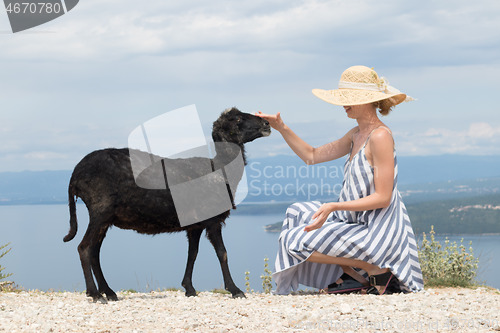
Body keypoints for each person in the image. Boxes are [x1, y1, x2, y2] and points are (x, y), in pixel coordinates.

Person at [256, 65, 424, 295]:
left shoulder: (381, 136)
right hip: (354, 219)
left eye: (349, 98)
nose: (343, 103)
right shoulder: (356, 134)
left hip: (375, 229)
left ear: (368, 100)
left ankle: (375, 268)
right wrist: (281, 127)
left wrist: (334, 205)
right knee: (296, 212)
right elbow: (312, 155)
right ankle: (360, 275)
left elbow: (383, 198)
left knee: (290, 240)